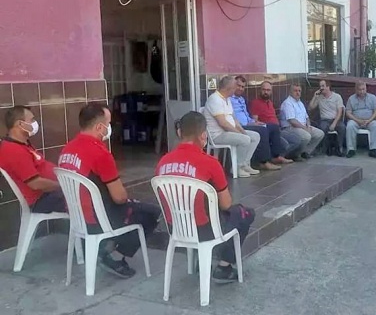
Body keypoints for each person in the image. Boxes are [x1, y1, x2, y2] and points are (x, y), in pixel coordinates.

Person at [58, 103, 161, 278]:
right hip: (100, 218)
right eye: (109, 123)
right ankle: (114, 256)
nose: (110, 127)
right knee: (152, 213)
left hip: (77, 216)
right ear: (99, 127)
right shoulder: (100, 153)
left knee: (133, 207)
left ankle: (101, 246)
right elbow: (120, 197)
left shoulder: (67, 149)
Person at [156, 111, 254, 284]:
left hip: (176, 228)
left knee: (199, 210)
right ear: (203, 136)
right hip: (205, 230)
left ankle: (200, 260)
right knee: (245, 213)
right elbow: (226, 204)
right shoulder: (210, 163)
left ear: (179, 132)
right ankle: (224, 267)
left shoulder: (163, 162)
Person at [0, 106, 66, 213]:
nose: (35, 123)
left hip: (49, 194)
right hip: (42, 199)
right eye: (32, 120)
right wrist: (63, 185)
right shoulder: (14, 150)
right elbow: (35, 184)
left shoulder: (22, 144)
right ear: (20, 124)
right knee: (84, 198)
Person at [203, 76, 261, 178]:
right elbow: (223, 123)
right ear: (228, 88)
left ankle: (245, 164)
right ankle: (237, 168)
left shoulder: (227, 99)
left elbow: (234, 119)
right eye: (235, 87)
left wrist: (243, 131)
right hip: (218, 135)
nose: (236, 90)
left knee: (255, 136)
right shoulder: (215, 99)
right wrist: (239, 134)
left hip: (228, 132)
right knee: (245, 139)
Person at [231, 75, 291, 170]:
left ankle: (275, 157)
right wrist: (251, 123)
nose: (240, 89)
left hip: (248, 123)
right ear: (233, 85)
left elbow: (246, 116)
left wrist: (254, 122)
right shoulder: (229, 99)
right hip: (239, 126)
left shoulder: (241, 99)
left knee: (273, 127)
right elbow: (233, 117)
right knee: (263, 130)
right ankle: (263, 162)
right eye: (238, 86)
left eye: (242, 87)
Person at [249, 81, 303, 159]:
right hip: (269, 132)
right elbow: (255, 121)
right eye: (264, 90)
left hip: (279, 130)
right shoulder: (255, 103)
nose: (266, 92)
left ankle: (279, 156)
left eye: (268, 90)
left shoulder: (270, 102)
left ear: (271, 91)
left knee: (297, 140)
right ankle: (274, 158)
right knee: (285, 144)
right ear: (260, 90)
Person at [280, 83, 325, 160]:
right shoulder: (287, 103)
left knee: (320, 134)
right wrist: (305, 128)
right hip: (290, 128)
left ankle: (305, 152)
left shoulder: (300, 102)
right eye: (295, 91)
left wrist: (309, 126)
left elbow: (307, 117)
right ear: (290, 92)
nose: (298, 93)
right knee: (306, 136)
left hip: (302, 126)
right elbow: (292, 121)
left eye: (299, 91)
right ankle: (295, 155)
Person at [309, 79, 345, 157]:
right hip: (325, 120)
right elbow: (311, 107)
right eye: (320, 86)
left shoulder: (337, 97)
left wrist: (334, 123)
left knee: (342, 127)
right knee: (322, 128)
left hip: (336, 119)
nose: (321, 88)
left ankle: (339, 148)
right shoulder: (319, 97)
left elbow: (340, 112)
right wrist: (314, 97)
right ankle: (325, 149)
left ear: (328, 87)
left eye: (323, 86)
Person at [345, 82, 376, 158]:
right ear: (356, 90)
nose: (362, 91)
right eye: (359, 90)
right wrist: (357, 120)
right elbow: (348, 112)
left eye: (363, 89)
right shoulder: (351, 98)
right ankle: (351, 150)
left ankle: (374, 149)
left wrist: (369, 120)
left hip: (369, 120)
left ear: (366, 89)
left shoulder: (372, 97)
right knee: (350, 126)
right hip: (356, 121)